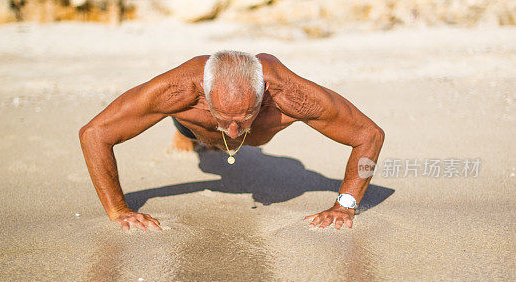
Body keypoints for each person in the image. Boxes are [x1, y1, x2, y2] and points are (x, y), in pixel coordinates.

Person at [79, 50, 384, 232]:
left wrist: (346, 205)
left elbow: (369, 135)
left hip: (260, 120)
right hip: (194, 126)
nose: (235, 132)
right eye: (223, 118)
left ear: (264, 91)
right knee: (193, 133)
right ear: (203, 90)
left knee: (235, 131)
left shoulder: (291, 94)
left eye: (247, 116)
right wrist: (119, 210)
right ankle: (186, 132)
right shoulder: (177, 89)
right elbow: (94, 135)